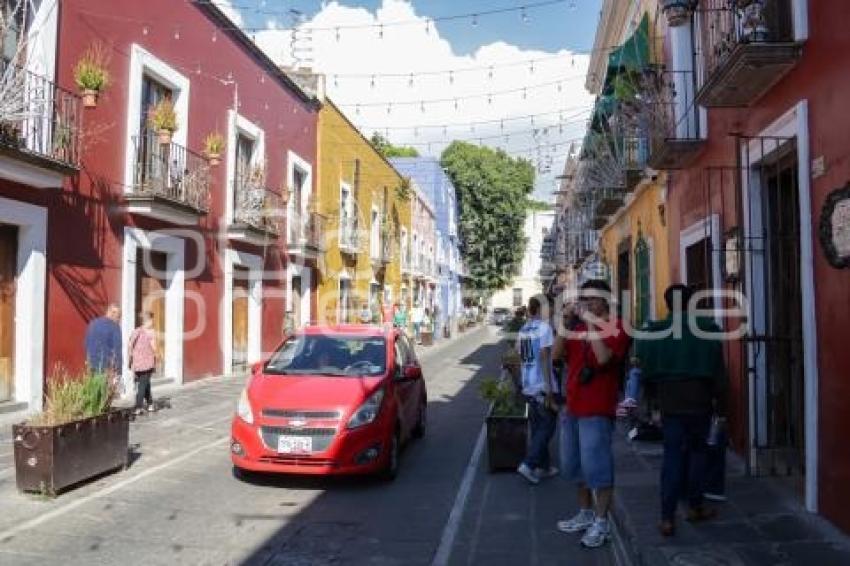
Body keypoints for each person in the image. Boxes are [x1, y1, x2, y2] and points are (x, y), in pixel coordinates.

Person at [634, 284, 727, 537]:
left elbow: (643, 369)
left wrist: (651, 401)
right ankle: (695, 506)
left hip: (670, 403)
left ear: (667, 304)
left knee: (672, 458)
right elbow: (719, 373)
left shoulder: (654, 333)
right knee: (698, 454)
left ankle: (667, 518)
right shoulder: (708, 331)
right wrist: (722, 403)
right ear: (690, 303)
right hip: (700, 402)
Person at [556, 279, 630, 549]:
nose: (586, 303)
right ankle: (586, 513)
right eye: (583, 299)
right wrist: (565, 321)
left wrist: (589, 323)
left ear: (606, 300)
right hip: (572, 407)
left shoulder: (618, 326)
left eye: (592, 299)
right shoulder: (575, 326)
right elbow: (555, 354)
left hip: (597, 409)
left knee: (598, 468)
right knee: (574, 467)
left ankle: (602, 523)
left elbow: (602, 359)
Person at [516, 296, 559, 484]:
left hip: (528, 384)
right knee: (548, 427)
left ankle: (545, 466)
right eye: (549, 307)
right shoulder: (545, 328)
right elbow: (543, 357)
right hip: (541, 384)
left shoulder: (524, 329)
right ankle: (529, 464)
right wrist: (549, 388)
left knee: (537, 427)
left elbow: (521, 357)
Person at [128, 311, 158, 415]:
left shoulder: (136, 331)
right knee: (142, 385)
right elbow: (154, 348)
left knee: (145, 383)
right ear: (148, 320)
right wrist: (158, 355)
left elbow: (130, 345)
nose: (153, 322)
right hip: (147, 363)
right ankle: (138, 406)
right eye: (152, 320)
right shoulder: (150, 332)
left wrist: (132, 357)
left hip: (137, 363)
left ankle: (150, 404)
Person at [85, 303, 123, 378]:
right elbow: (117, 349)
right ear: (114, 315)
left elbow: (86, 343)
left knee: (93, 388)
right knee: (106, 389)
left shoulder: (93, 323)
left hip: (91, 364)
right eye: (119, 317)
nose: (119, 319)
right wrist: (119, 370)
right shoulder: (115, 327)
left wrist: (89, 361)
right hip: (106, 366)